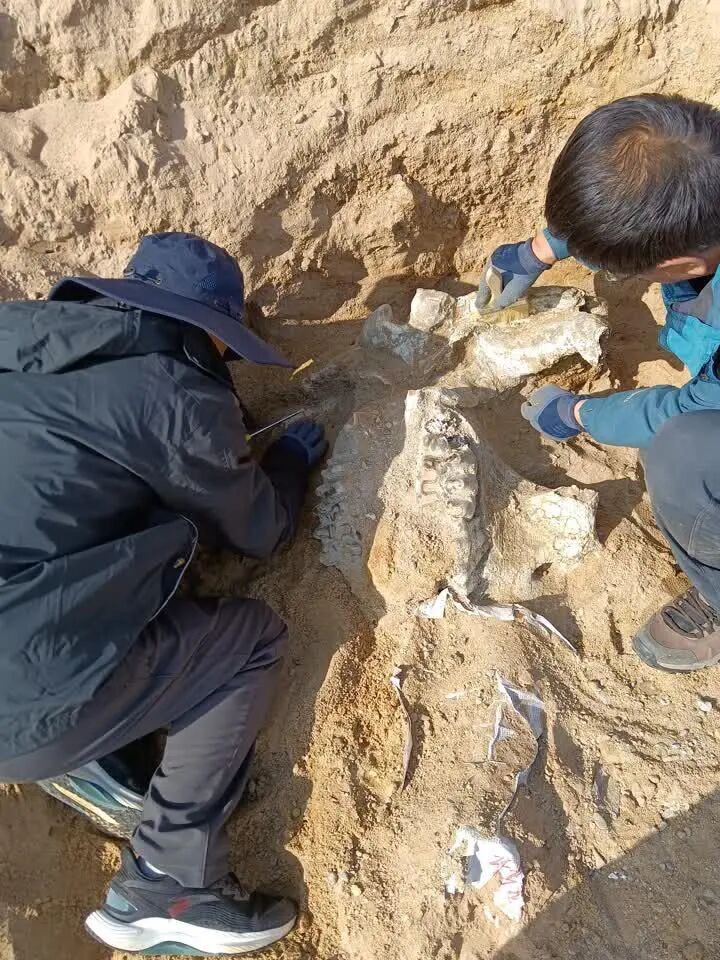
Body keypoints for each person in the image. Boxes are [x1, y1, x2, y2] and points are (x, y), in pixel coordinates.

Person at [0, 232, 327, 955]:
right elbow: (261, 530)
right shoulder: (176, 394)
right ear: (213, 331)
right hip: (17, 694)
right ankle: (168, 880)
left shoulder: (17, 335)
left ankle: (97, 753)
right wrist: (284, 467)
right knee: (251, 642)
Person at [477, 93, 720, 674]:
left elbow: (685, 411)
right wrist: (535, 252)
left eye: (621, 268)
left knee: (683, 454)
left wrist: (578, 415)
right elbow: (646, 193)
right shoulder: (701, 164)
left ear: (682, 263)